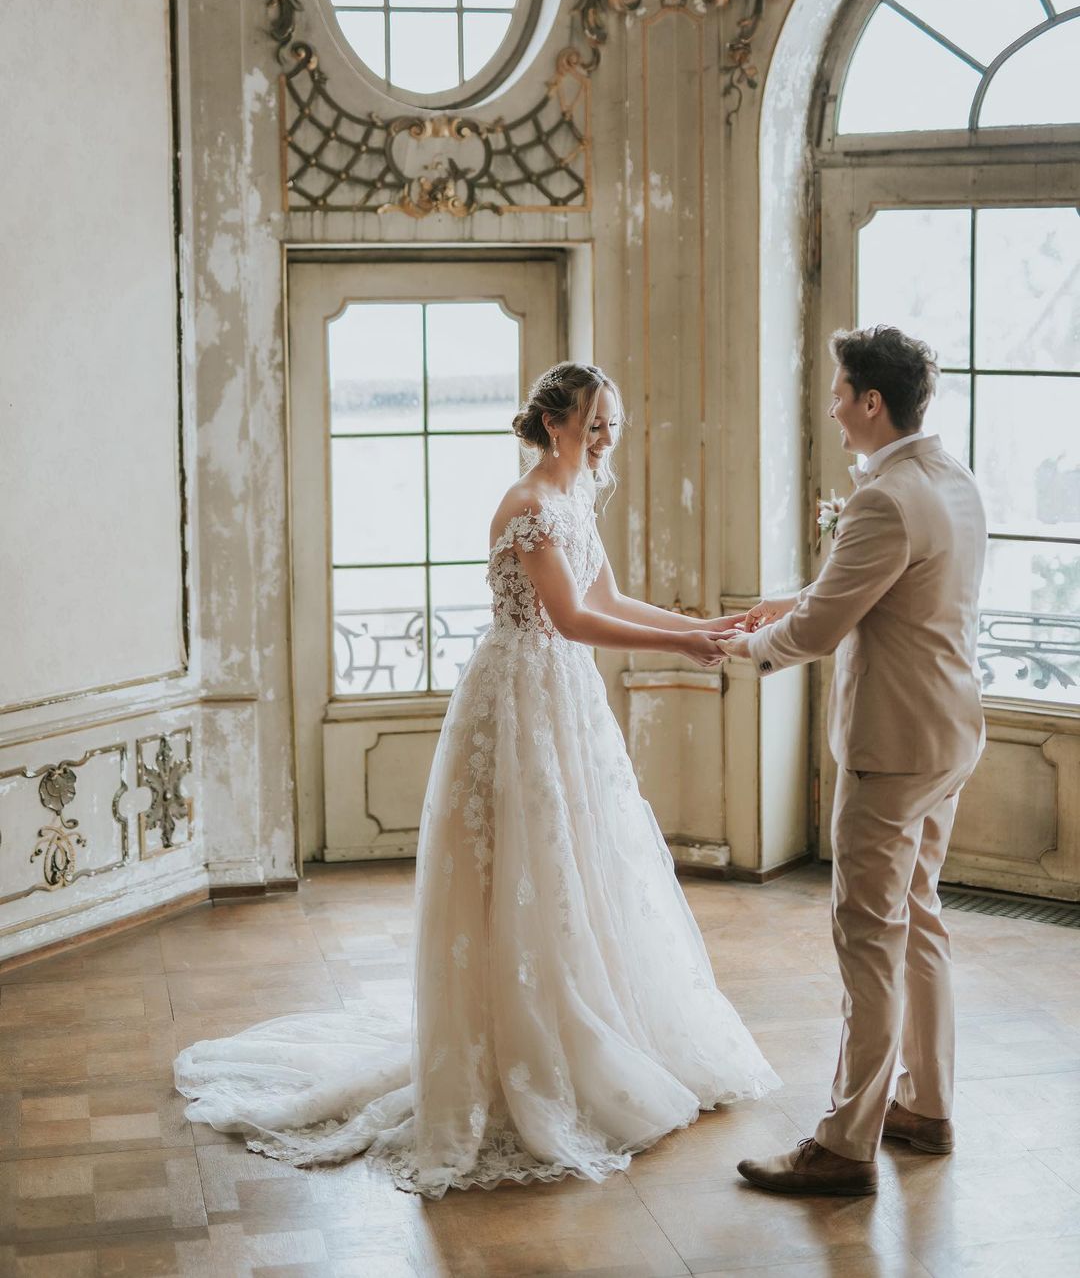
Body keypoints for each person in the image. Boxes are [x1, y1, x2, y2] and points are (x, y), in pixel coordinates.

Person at [175, 361, 779, 1198]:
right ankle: (523, 1043)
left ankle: (593, 1021)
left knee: (580, 858)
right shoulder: (528, 505)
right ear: (557, 423)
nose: (608, 437)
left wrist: (697, 623)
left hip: (564, 698)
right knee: (523, 864)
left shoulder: (577, 501)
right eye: (596, 422)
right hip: (520, 697)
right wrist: (682, 648)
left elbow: (608, 592)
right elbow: (569, 617)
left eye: (614, 422)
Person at [719, 325, 986, 1196]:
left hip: (891, 747)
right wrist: (794, 594)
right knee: (920, 916)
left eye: (840, 392)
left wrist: (739, 647)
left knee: (867, 936)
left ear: (873, 401)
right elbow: (888, 586)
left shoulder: (883, 498)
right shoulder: (952, 478)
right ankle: (927, 1105)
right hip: (948, 732)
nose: (832, 407)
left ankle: (843, 1144)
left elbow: (822, 631)